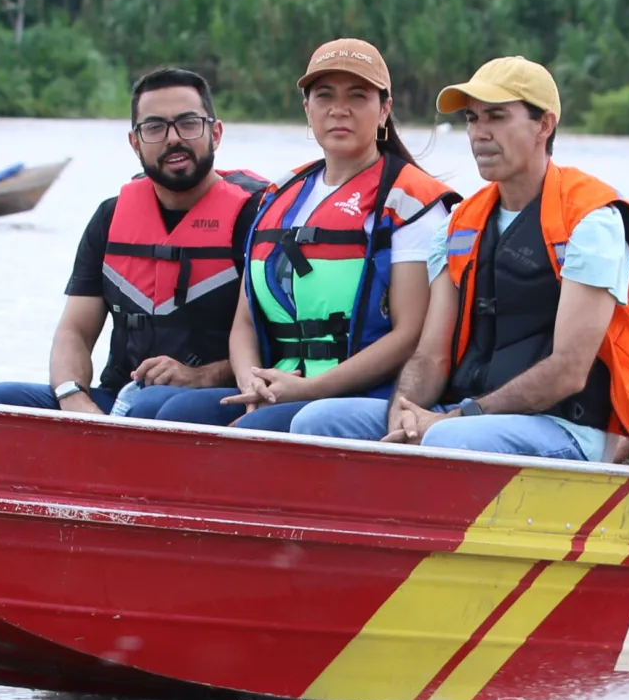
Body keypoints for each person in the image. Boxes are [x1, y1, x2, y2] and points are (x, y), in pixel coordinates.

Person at [292, 56, 629, 468]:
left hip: (569, 427)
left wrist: (454, 418)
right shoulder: (458, 223)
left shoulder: (592, 220)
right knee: (319, 420)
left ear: (543, 125)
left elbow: (568, 371)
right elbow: (431, 356)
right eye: (473, 120)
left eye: (496, 117)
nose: (480, 133)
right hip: (465, 418)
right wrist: (406, 409)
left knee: (446, 439)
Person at [120, 40, 454, 433]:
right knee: (157, 410)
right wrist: (250, 381)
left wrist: (311, 389)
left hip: (360, 393)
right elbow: (244, 321)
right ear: (307, 110)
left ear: (384, 110)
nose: (338, 109)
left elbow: (409, 334)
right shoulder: (280, 193)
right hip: (280, 385)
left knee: (256, 429)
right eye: (324, 96)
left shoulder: (411, 200)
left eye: (357, 96)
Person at [0, 67, 266, 414]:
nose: (173, 138)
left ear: (215, 134)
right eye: (155, 127)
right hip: (120, 398)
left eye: (188, 123)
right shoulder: (109, 219)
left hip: (209, 399)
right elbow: (74, 332)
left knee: (155, 406)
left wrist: (199, 376)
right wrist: (75, 400)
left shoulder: (256, 220)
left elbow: (275, 344)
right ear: (135, 142)